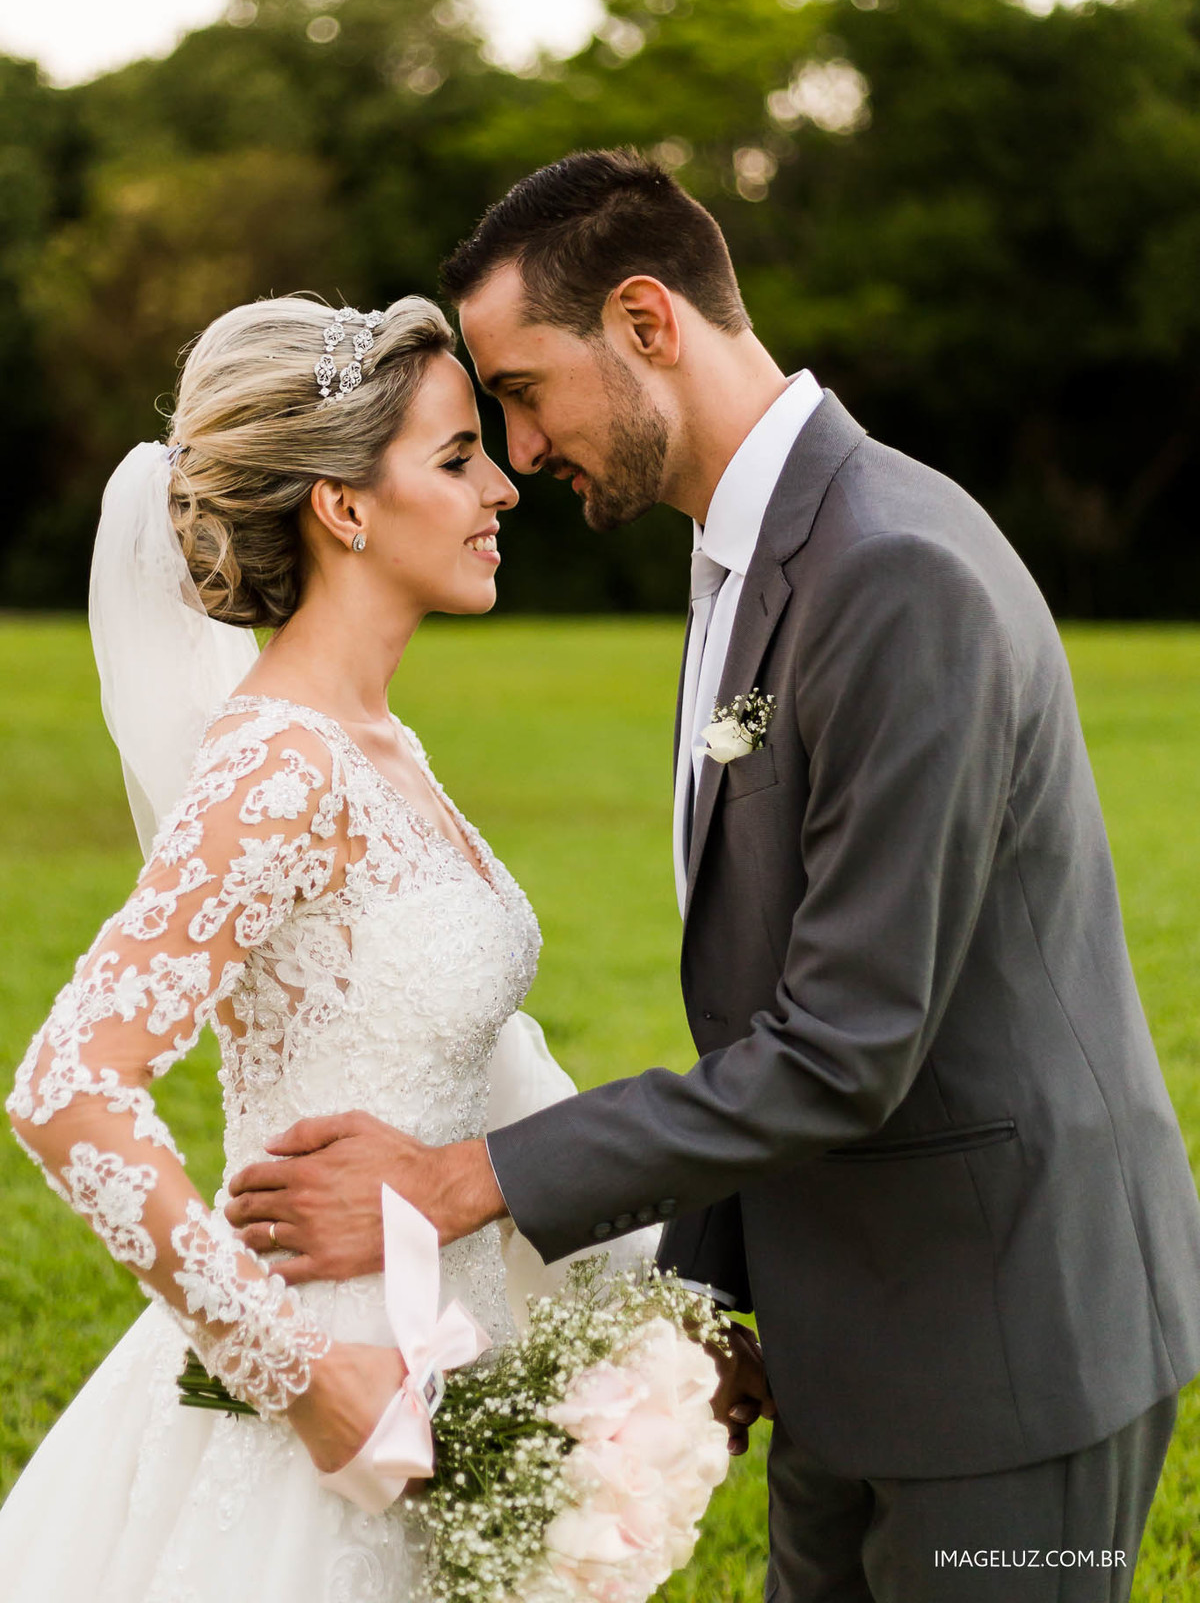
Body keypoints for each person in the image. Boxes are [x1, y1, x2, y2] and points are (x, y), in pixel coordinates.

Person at [229, 152, 1200, 1602]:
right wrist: (713, 1298)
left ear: (644, 321)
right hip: (839, 1337)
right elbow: (759, 1001)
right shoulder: (741, 559)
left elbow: (845, 1043)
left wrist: (461, 1179)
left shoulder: (894, 571)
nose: (519, 452)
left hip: (1006, 1349)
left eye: (526, 390)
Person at [0, 293, 660, 1601]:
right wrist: (300, 1375)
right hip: (333, 1385)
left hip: (456, 1344)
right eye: (457, 456)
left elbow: (487, 1060)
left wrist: (648, 1313)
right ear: (344, 507)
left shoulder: (381, 749)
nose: (502, 493)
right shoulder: (278, 768)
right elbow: (68, 1088)